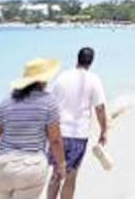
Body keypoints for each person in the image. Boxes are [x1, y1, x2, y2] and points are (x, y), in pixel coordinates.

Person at [0, 58, 65, 199]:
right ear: (42, 81)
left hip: (3, 168)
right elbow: (55, 140)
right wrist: (61, 165)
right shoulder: (49, 102)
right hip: (31, 168)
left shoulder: (6, 102)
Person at [46, 47, 107, 199]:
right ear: (91, 62)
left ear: (77, 59)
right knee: (71, 175)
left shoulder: (62, 77)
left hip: (58, 133)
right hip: (78, 135)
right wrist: (104, 130)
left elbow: (49, 104)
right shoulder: (94, 79)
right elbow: (100, 108)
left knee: (56, 172)